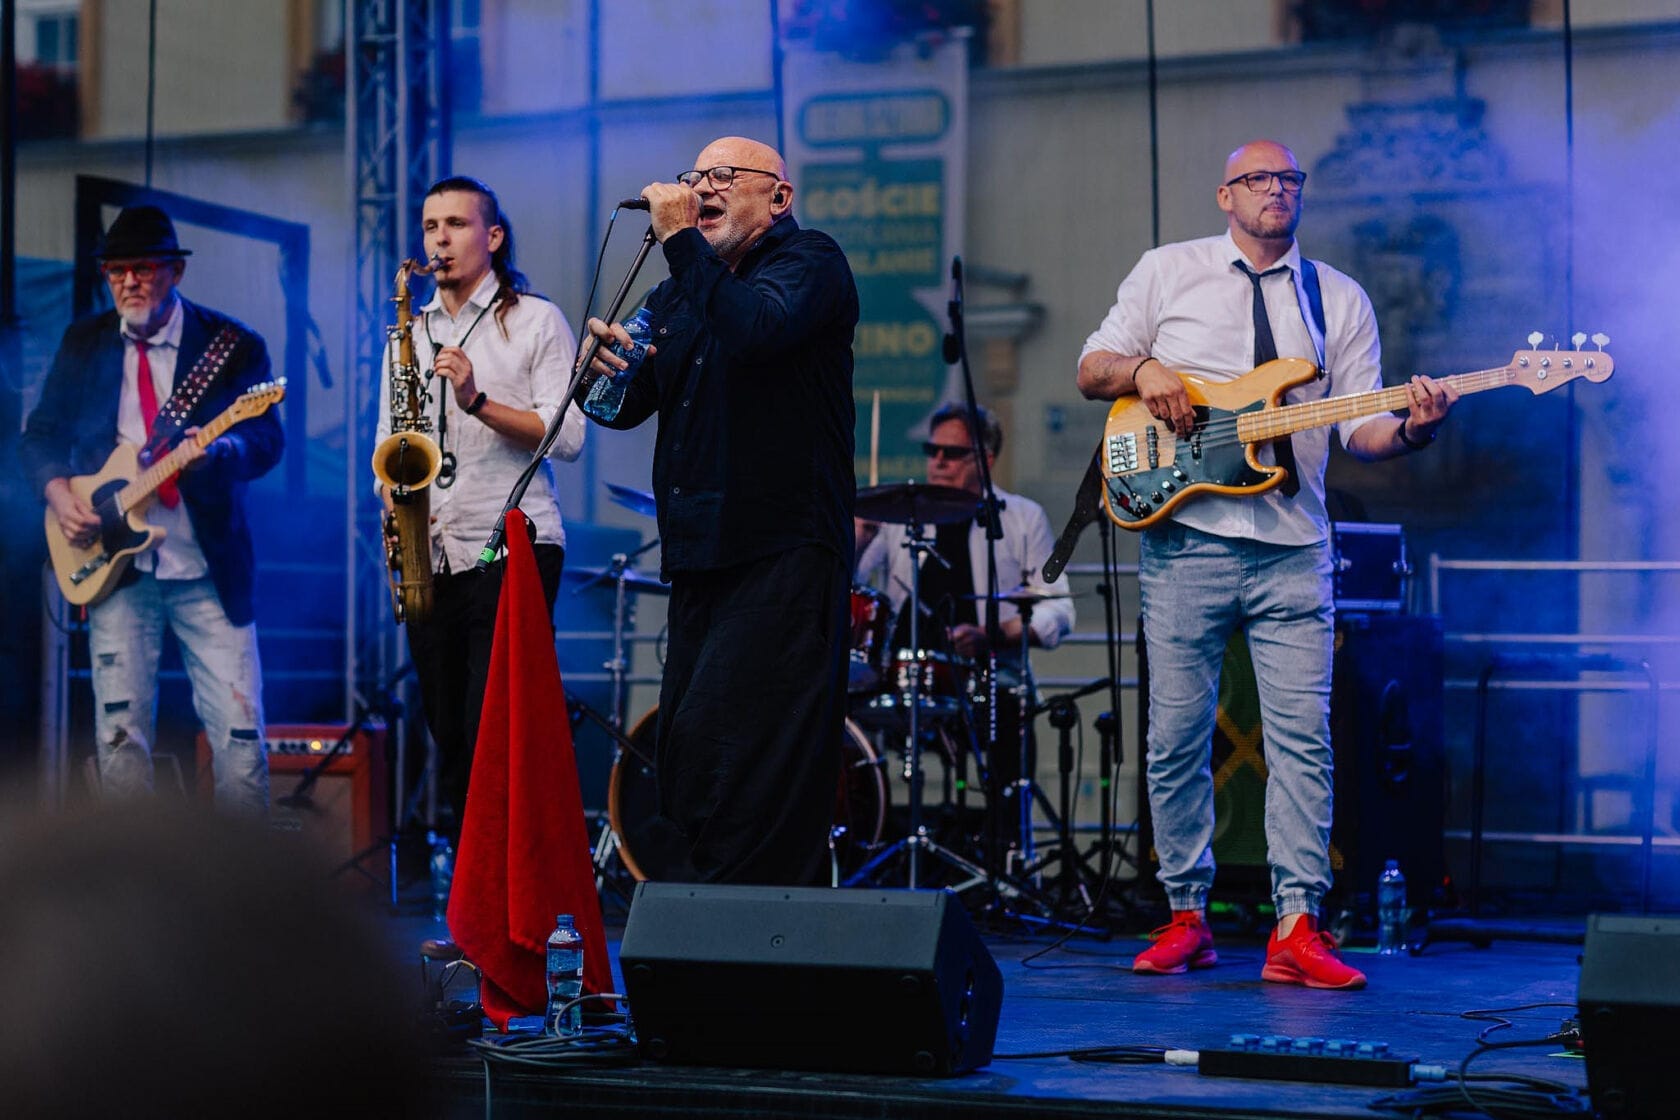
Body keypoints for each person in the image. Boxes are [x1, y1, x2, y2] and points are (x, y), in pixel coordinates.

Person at [1076, 140, 1458, 990]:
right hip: (1185, 537)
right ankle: (1186, 914)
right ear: (1226, 195)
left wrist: (1416, 426)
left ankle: (1296, 926)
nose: (1275, 191)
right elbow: (1091, 368)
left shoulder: (1337, 297)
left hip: (1294, 547)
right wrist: (1145, 368)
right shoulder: (1169, 271)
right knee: (1175, 737)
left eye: (1288, 179)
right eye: (1257, 179)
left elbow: (1360, 429)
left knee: (1304, 742)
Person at [582, 136, 858, 885]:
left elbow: (755, 328)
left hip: (782, 549)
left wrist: (678, 241)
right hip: (700, 553)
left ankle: (756, 924)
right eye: (695, 176)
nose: (702, 188)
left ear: (779, 197)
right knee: (687, 752)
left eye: (724, 176)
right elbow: (617, 407)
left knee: (747, 752)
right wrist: (597, 370)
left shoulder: (810, 262)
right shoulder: (676, 295)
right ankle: (722, 914)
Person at [21, 205, 283, 813]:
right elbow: (39, 438)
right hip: (117, 569)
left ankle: (244, 869)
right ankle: (128, 872)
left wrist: (219, 452)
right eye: (117, 272)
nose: (129, 282)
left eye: (142, 268)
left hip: (209, 568)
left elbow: (267, 441)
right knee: (119, 740)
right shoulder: (85, 343)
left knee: (240, 738)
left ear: (175, 272)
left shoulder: (232, 345)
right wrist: (59, 495)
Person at [377, 176, 586, 835]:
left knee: (493, 729)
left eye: (456, 225)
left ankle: (507, 884)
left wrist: (477, 402)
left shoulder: (535, 320)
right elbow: (388, 441)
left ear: (493, 236)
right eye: (430, 226)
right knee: (450, 732)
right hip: (431, 550)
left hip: (512, 542)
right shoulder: (409, 331)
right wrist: (393, 497)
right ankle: (474, 886)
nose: (439, 239)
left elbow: (568, 436)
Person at [854, 402, 1074, 858]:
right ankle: (861, 844)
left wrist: (996, 634)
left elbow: (1060, 609)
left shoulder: (1021, 517)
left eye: (951, 453)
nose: (937, 462)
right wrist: (859, 539)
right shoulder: (901, 516)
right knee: (842, 712)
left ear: (985, 459)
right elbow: (850, 587)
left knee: (1012, 718)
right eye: (932, 451)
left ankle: (1005, 855)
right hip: (904, 673)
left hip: (990, 676)